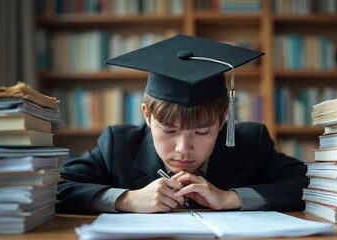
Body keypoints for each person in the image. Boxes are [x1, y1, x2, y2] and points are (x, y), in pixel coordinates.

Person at [56, 34, 309, 214]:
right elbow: (56, 189)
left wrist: (230, 198)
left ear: (223, 120)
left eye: (201, 131)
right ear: (147, 116)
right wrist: (127, 199)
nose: (183, 148)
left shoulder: (251, 143)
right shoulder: (118, 146)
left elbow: (309, 184)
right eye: (169, 130)